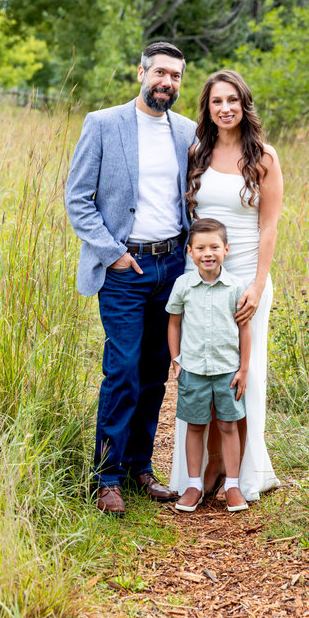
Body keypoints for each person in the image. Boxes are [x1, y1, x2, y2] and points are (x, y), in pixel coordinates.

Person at [65, 41, 196, 516]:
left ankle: (142, 468)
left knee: (156, 372)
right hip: (125, 269)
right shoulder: (103, 124)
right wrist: (113, 253)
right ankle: (107, 477)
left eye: (176, 76)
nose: (167, 82)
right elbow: (78, 197)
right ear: (140, 72)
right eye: (160, 72)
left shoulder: (187, 131)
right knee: (122, 370)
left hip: (172, 268)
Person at [169, 70, 283, 502]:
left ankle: (244, 473)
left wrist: (256, 285)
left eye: (233, 100)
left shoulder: (264, 157)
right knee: (202, 367)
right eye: (217, 101)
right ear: (208, 108)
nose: (226, 108)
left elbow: (269, 227)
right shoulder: (197, 151)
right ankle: (207, 467)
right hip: (199, 279)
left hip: (246, 279)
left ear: (244, 104)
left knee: (243, 374)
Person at [167, 217, 252, 513]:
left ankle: (232, 486)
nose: (208, 253)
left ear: (226, 249)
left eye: (214, 246)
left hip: (227, 370)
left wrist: (243, 369)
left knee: (228, 425)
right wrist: (176, 359)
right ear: (190, 252)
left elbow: (244, 330)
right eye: (200, 247)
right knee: (195, 426)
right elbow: (174, 323)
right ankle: (193, 484)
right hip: (193, 370)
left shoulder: (235, 287)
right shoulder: (183, 285)